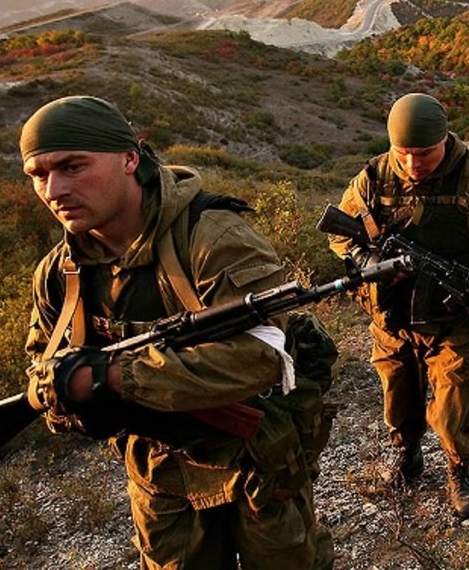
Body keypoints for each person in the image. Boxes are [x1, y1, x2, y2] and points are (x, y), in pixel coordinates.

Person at [20, 96, 333, 569]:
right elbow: (43, 368)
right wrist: (62, 394)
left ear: (129, 159)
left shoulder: (212, 237)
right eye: (38, 174)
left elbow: (260, 356)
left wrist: (114, 377)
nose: (54, 189)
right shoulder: (59, 275)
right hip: (158, 469)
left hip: (256, 460)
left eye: (72, 166)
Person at [328, 93, 469, 518]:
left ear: (445, 140)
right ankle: (408, 455)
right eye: (404, 153)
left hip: (455, 316)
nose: (414, 164)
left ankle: (458, 468)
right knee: (399, 398)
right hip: (392, 314)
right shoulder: (373, 177)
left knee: (456, 400)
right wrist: (369, 261)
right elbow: (340, 233)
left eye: (425, 153)